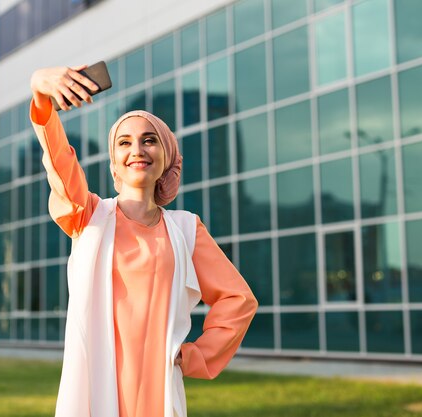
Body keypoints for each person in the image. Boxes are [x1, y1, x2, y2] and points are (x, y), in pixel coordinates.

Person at [30, 64, 258, 417]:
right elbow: (59, 163)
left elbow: (238, 300)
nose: (137, 149)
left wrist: (196, 355)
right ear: (114, 166)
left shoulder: (185, 229)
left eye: (149, 140)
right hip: (97, 381)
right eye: (125, 142)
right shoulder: (88, 216)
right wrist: (40, 95)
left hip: (159, 385)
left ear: (166, 157)